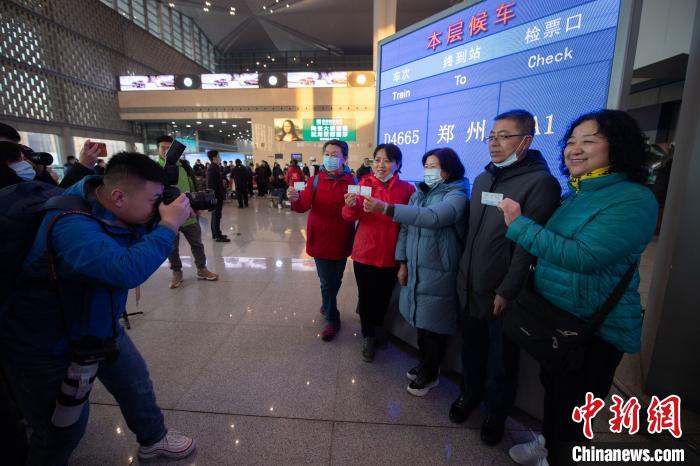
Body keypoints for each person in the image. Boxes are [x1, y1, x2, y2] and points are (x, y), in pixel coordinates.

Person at [0, 153, 197, 464]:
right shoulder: (72, 225)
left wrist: (157, 216)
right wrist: (169, 225)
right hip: (43, 341)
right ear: (118, 196)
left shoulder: (100, 196)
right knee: (62, 429)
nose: (158, 207)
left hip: (97, 324)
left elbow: (127, 237)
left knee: (134, 383)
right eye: (154, 200)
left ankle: (154, 439)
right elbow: (123, 269)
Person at [501, 110, 658, 466]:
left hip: (593, 329)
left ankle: (560, 453)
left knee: (576, 409)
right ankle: (547, 442)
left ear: (617, 147)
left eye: (589, 140)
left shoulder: (633, 200)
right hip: (557, 319)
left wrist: (519, 225)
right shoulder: (577, 193)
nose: (576, 149)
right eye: (571, 141)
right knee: (555, 391)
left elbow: (584, 256)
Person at [452, 110, 562, 446]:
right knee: (470, 351)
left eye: (504, 136)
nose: (494, 143)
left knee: (501, 361)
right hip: (470, 285)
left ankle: (495, 414)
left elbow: (527, 249)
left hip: (502, 293)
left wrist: (508, 290)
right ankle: (469, 395)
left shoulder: (540, 183)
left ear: (526, 141)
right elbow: (473, 234)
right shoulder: (484, 179)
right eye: (491, 136)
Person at [390, 147, 469, 396]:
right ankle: (425, 364)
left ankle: (431, 374)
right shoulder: (419, 194)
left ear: (448, 169)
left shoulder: (457, 195)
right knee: (422, 325)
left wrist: (387, 208)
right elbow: (405, 228)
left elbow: (433, 217)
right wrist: (402, 262)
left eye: (433, 166)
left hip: (440, 272)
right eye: (426, 166)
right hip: (415, 268)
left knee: (434, 328)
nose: (428, 171)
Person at [342, 144, 414, 361]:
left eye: (387, 160)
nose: (381, 165)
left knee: (384, 297)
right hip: (365, 252)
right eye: (377, 160)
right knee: (366, 297)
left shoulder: (407, 190)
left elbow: (410, 222)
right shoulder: (363, 184)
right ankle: (368, 335)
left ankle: (379, 326)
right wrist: (351, 205)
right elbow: (348, 216)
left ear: (397, 164)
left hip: (391, 254)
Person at [288, 140, 356, 341]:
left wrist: (354, 206)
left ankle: (327, 303)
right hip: (320, 238)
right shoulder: (315, 181)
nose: (330, 158)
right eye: (327, 153)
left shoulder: (353, 182)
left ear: (344, 158)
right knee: (327, 281)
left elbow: (356, 211)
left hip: (342, 238)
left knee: (337, 279)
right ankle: (332, 318)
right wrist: (294, 199)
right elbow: (303, 206)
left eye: (335, 154)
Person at [156, 135, 218, 288]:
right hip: (169, 217)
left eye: (169, 148)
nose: (166, 151)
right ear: (157, 149)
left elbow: (193, 186)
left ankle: (202, 269)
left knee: (197, 244)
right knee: (172, 247)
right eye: (162, 147)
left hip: (189, 213)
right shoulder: (154, 169)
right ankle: (177, 272)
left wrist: (197, 206)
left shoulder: (183, 165)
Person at [206, 150, 230, 242]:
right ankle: (217, 236)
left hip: (217, 196)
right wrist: (215, 197)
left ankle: (217, 234)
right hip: (215, 197)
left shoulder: (215, 167)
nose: (220, 157)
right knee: (216, 215)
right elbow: (211, 185)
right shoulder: (212, 168)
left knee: (216, 216)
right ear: (214, 158)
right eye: (219, 156)